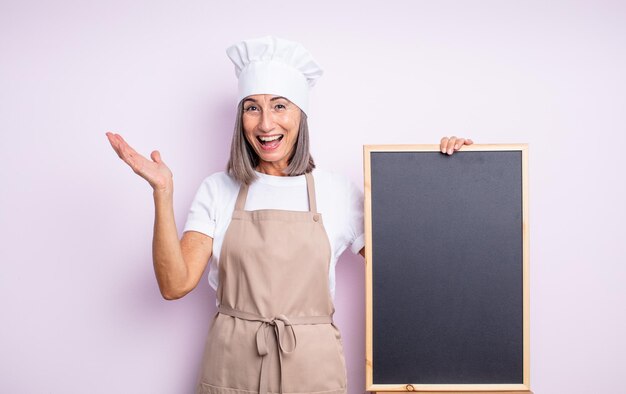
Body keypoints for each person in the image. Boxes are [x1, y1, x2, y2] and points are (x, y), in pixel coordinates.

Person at [106, 36, 472, 394]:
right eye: (252, 107)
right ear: (241, 119)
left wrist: (452, 177)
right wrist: (163, 192)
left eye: (280, 106)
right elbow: (175, 284)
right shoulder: (218, 189)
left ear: (301, 114)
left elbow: (409, 273)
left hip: (313, 370)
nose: (266, 124)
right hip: (232, 366)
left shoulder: (338, 192)